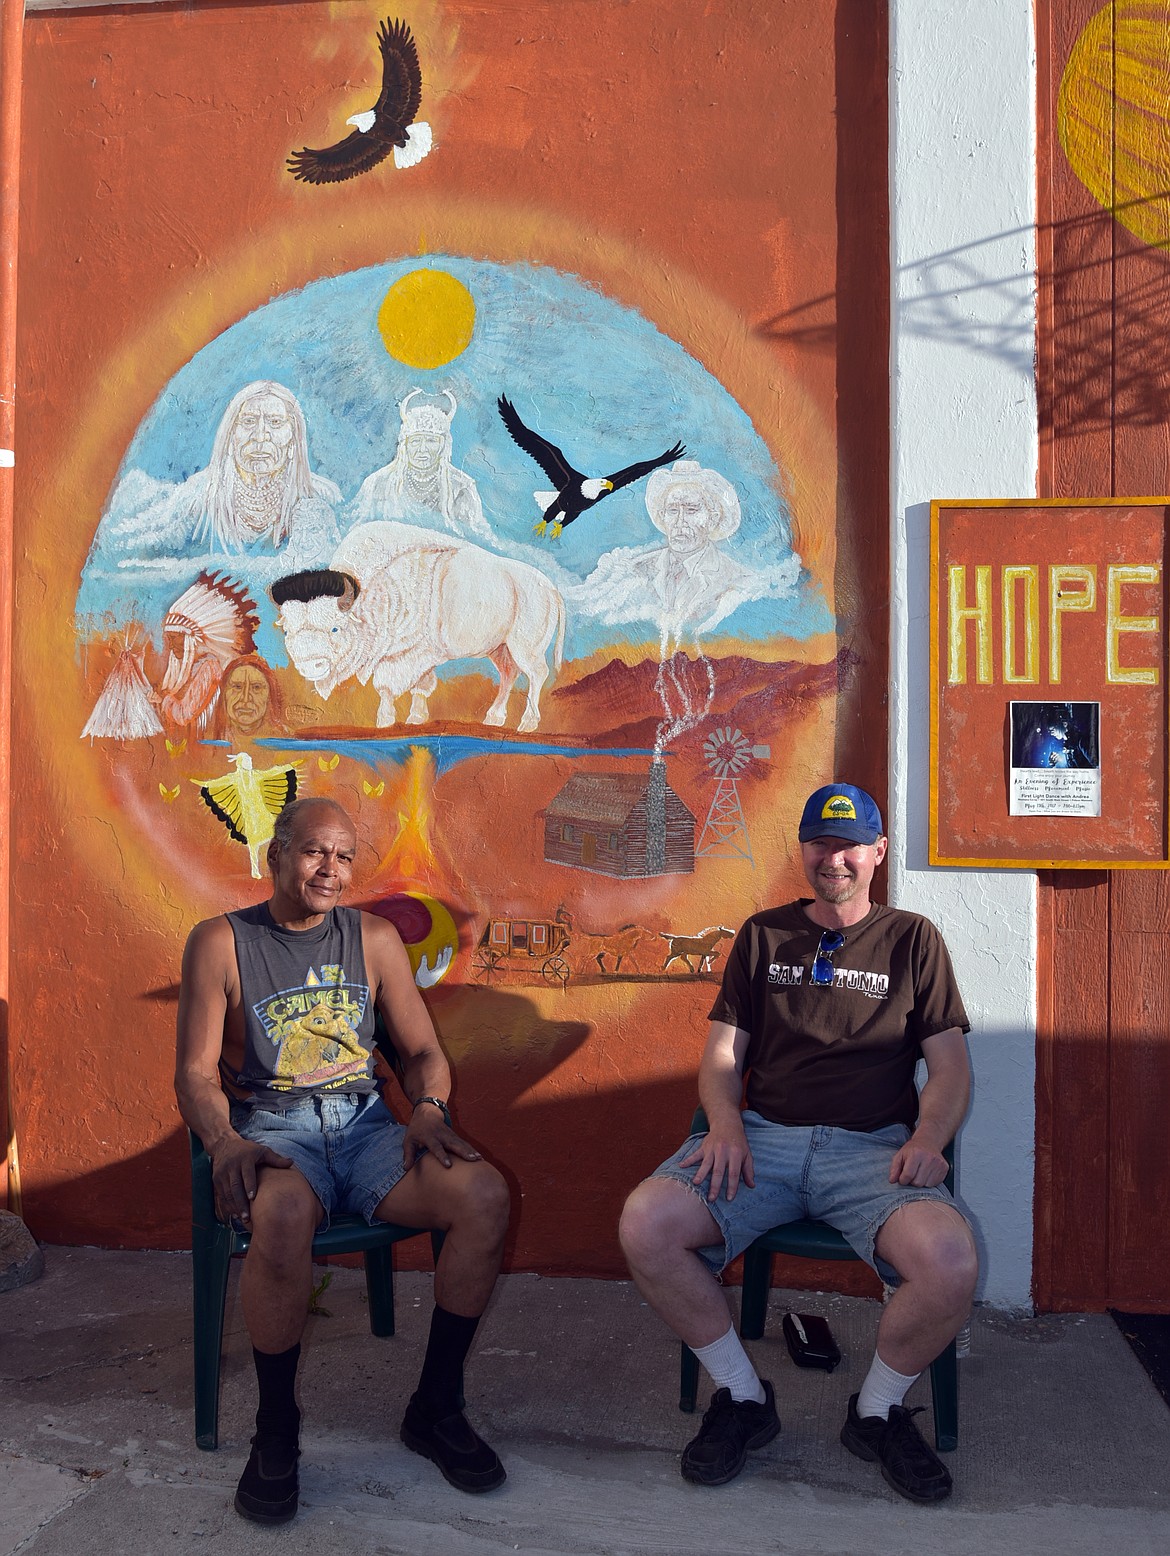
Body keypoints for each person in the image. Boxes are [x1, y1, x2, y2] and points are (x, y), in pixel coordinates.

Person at [619, 783, 976, 1504]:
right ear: (804, 850)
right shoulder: (763, 935)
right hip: (763, 1143)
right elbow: (722, 1056)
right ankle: (744, 1399)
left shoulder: (913, 940)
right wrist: (723, 1124)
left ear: (877, 852)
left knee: (950, 1261)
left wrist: (930, 1137)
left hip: (873, 1152)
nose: (833, 857)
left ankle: (875, 1414)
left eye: (850, 845)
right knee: (645, 1223)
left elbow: (950, 1068)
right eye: (820, 842)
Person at [175, 797, 510, 1525]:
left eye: (345, 855)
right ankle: (276, 1433)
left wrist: (428, 1111)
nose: (331, 869)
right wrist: (225, 1140)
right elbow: (195, 1076)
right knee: (287, 1214)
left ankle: (435, 1408)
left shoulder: (375, 939)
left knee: (483, 1197)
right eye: (314, 852)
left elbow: (423, 1054)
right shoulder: (221, 943)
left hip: (365, 1130)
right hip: (274, 1130)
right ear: (277, 854)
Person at [567, 459, 798, 637]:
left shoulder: (739, 581)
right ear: (662, 516)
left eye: (691, 510)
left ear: (713, 517)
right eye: (672, 510)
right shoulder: (634, 571)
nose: (680, 521)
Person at [350, 388, 493, 542]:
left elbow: (477, 539)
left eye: (431, 440)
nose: (422, 449)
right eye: (415, 441)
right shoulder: (378, 483)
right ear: (404, 445)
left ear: (443, 446)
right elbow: (358, 532)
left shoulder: (461, 487)